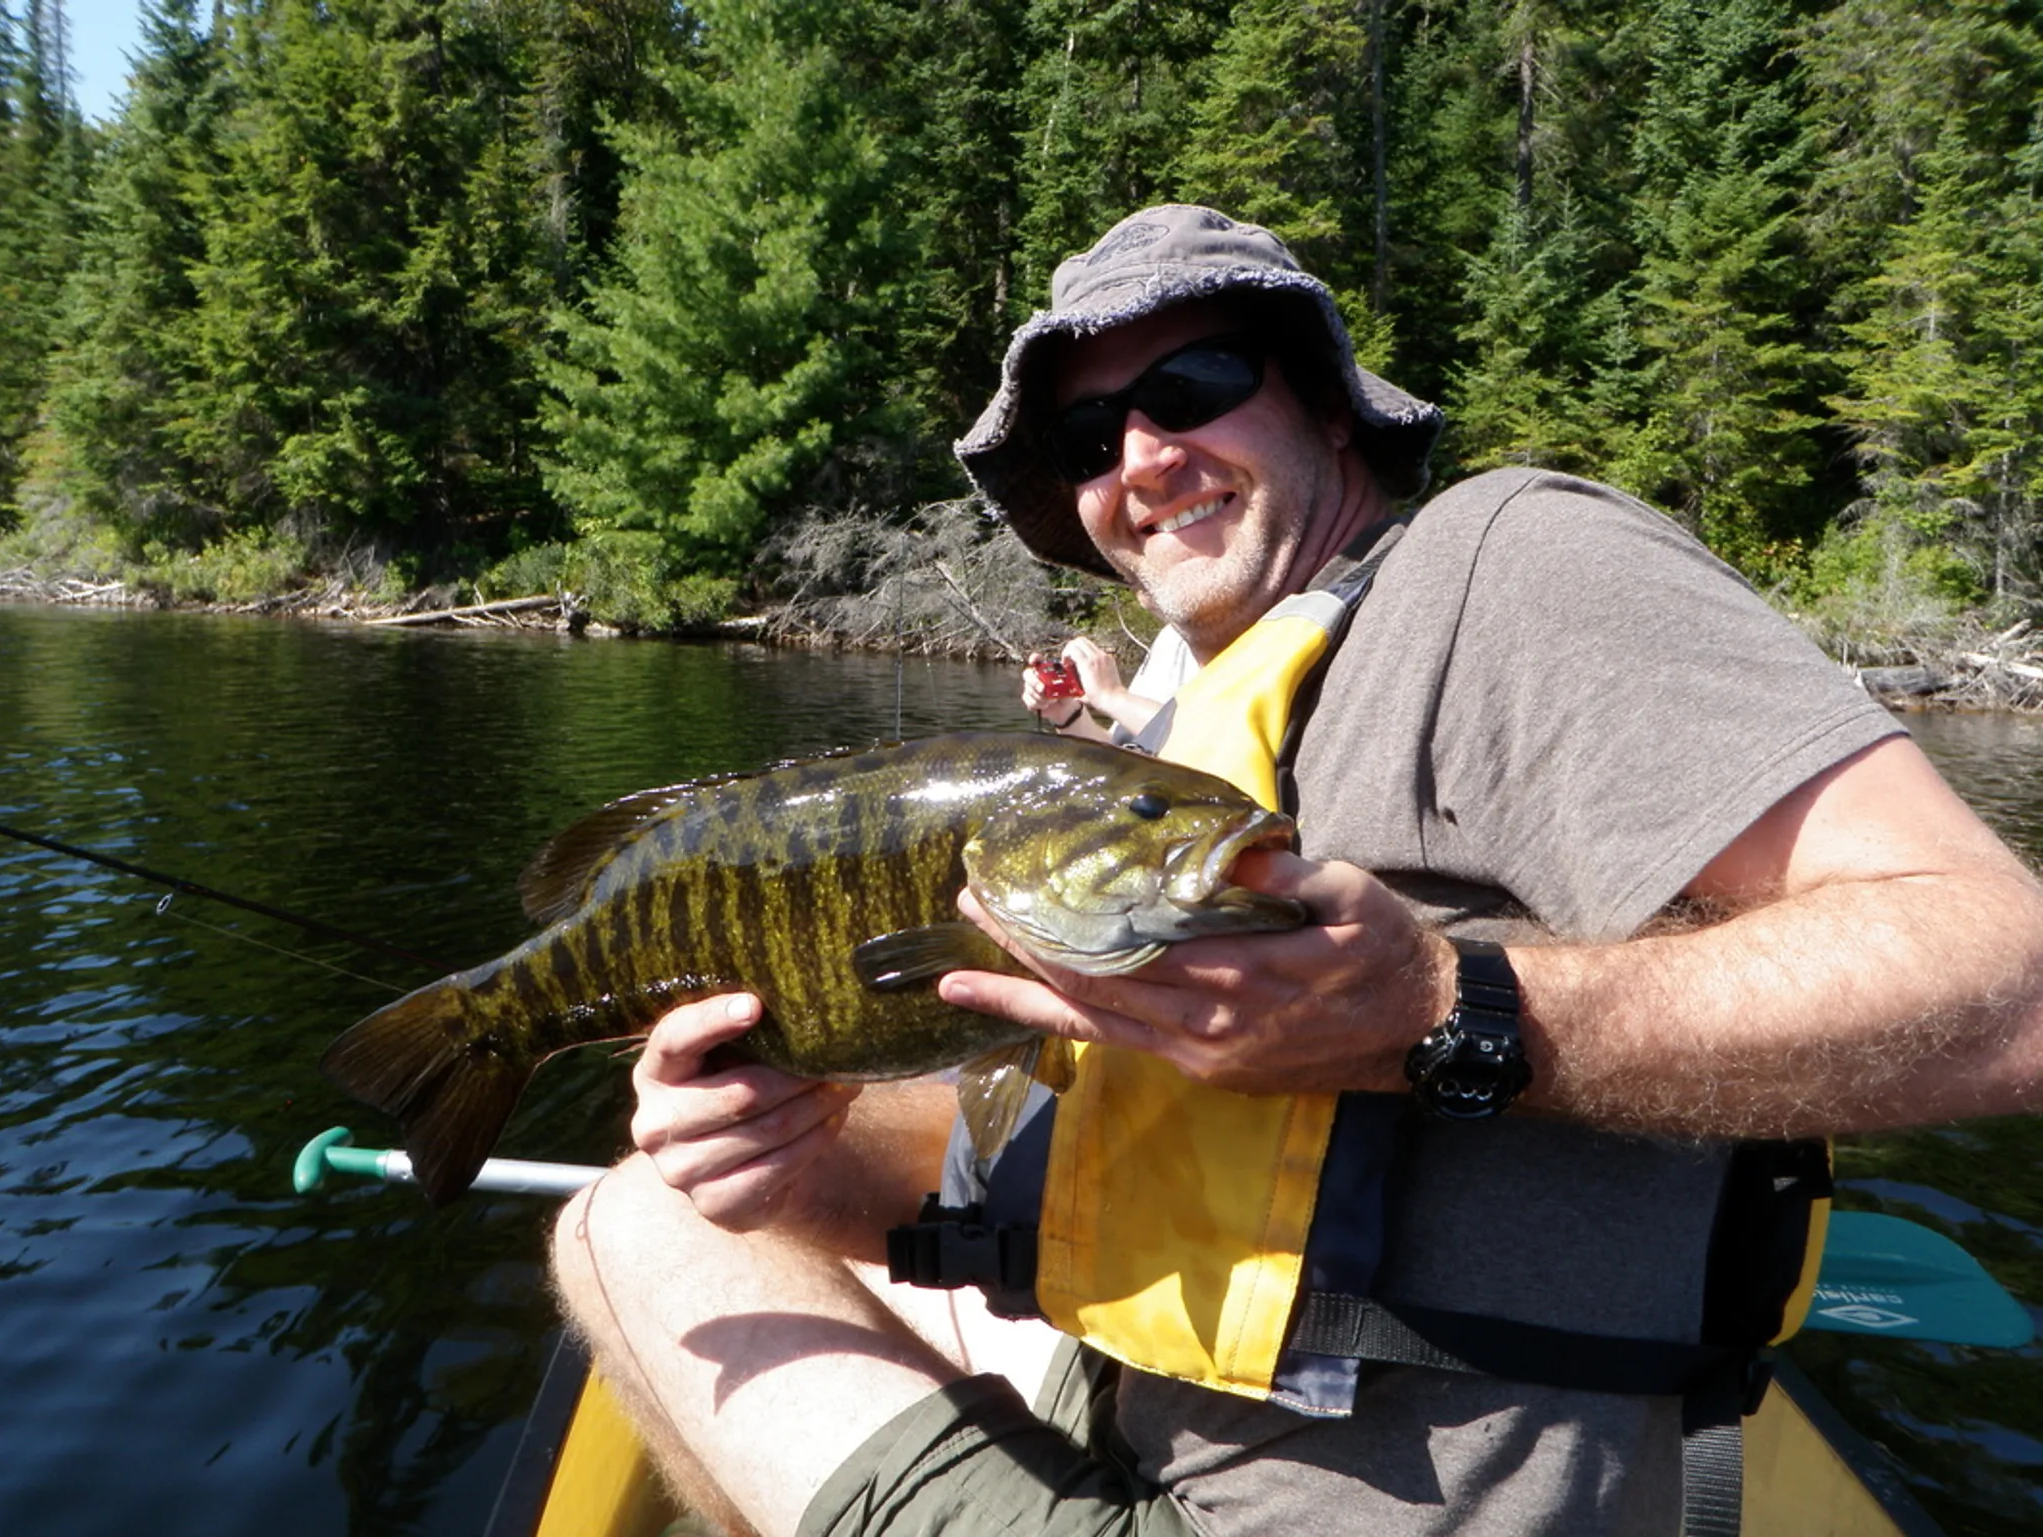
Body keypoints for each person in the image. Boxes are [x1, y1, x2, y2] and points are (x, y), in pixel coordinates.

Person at [550, 205, 2043, 1537]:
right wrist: (790, 1156)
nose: (1142, 457)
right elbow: (1033, 1171)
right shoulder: (1194, 736)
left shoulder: (1507, 569)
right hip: (1151, 1414)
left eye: (1189, 387)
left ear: (1328, 405)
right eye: (1086, 442)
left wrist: (1448, 1013)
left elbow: (2014, 983)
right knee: (682, 1194)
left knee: (622, 1237)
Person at [1019, 631, 1191, 742]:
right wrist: (1067, 714)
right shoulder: (1171, 637)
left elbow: (1205, 742)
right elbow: (1122, 747)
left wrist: (1113, 696)